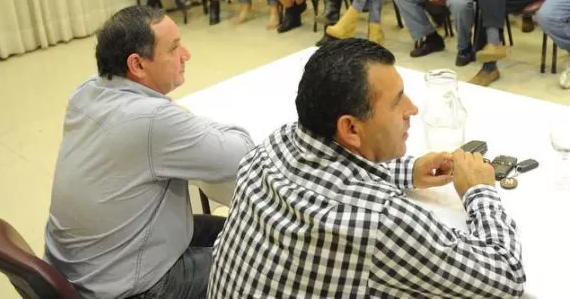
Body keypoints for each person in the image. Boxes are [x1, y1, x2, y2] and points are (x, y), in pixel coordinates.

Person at [208, 40, 525, 299]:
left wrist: (407, 171)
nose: (412, 109)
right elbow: (506, 278)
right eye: (397, 102)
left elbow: (330, 171)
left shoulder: (273, 146)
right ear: (351, 129)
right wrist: (479, 191)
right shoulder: (379, 219)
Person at [45, 6, 254, 299]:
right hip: (129, 288)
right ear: (138, 65)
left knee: (242, 229)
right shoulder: (151, 121)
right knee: (262, 261)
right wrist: (184, 120)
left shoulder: (85, 93)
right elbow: (242, 152)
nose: (187, 55)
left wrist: (180, 120)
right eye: (174, 48)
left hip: (82, 269)